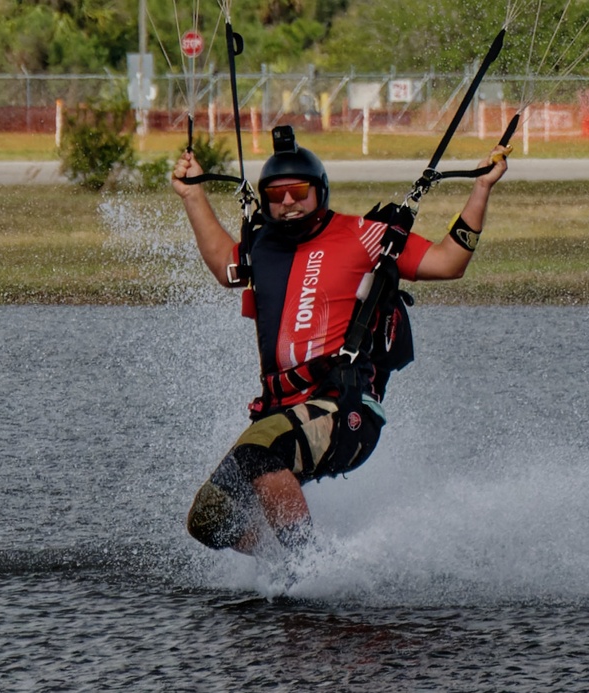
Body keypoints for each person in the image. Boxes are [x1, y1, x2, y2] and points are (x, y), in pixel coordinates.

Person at [171, 126, 510, 554]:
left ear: (320, 191)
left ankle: (307, 567)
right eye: (276, 196)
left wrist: (481, 188)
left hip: (344, 409)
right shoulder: (263, 245)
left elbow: (449, 262)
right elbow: (225, 267)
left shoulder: (363, 234)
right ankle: (286, 571)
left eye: (298, 192)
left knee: (260, 454)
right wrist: (191, 196)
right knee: (210, 516)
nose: (288, 203)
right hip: (281, 414)